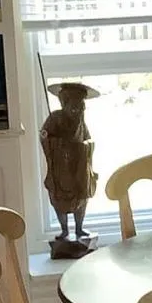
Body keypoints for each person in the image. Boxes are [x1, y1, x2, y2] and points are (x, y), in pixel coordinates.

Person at [41, 81, 100, 257]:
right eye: (74, 106)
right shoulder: (55, 118)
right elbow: (45, 138)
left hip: (79, 167)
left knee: (82, 197)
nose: (78, 110)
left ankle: (79, 228)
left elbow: (88, 139)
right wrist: (57, 143)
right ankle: (65, 230)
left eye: (81, 107)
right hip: (61, 168)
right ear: (64, 103)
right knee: (59, 198)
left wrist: (85, 146)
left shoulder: (81, 122)